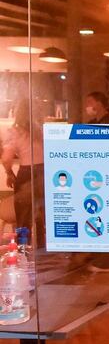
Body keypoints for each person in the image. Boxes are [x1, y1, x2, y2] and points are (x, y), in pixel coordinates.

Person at [2, 99, 45, 247]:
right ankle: (42, 253)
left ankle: (23, 251)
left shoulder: (15, 132)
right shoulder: (42, 130)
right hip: (45, 173)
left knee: (23, 219)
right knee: (42, 218)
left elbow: (6, 159)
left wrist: (9, 173)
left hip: (27, 173)